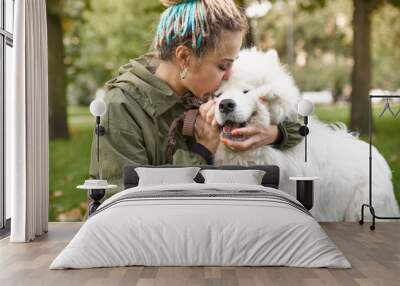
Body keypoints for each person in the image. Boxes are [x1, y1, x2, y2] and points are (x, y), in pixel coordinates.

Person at [89, 0, 303, 195]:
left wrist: (272, 134)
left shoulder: (206, 92)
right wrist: (202, 150)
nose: (229, 75)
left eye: (232, 64)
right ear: (184, 58)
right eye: (222, 65)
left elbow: (300, 127)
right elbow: (121, 199)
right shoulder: (122, 107)